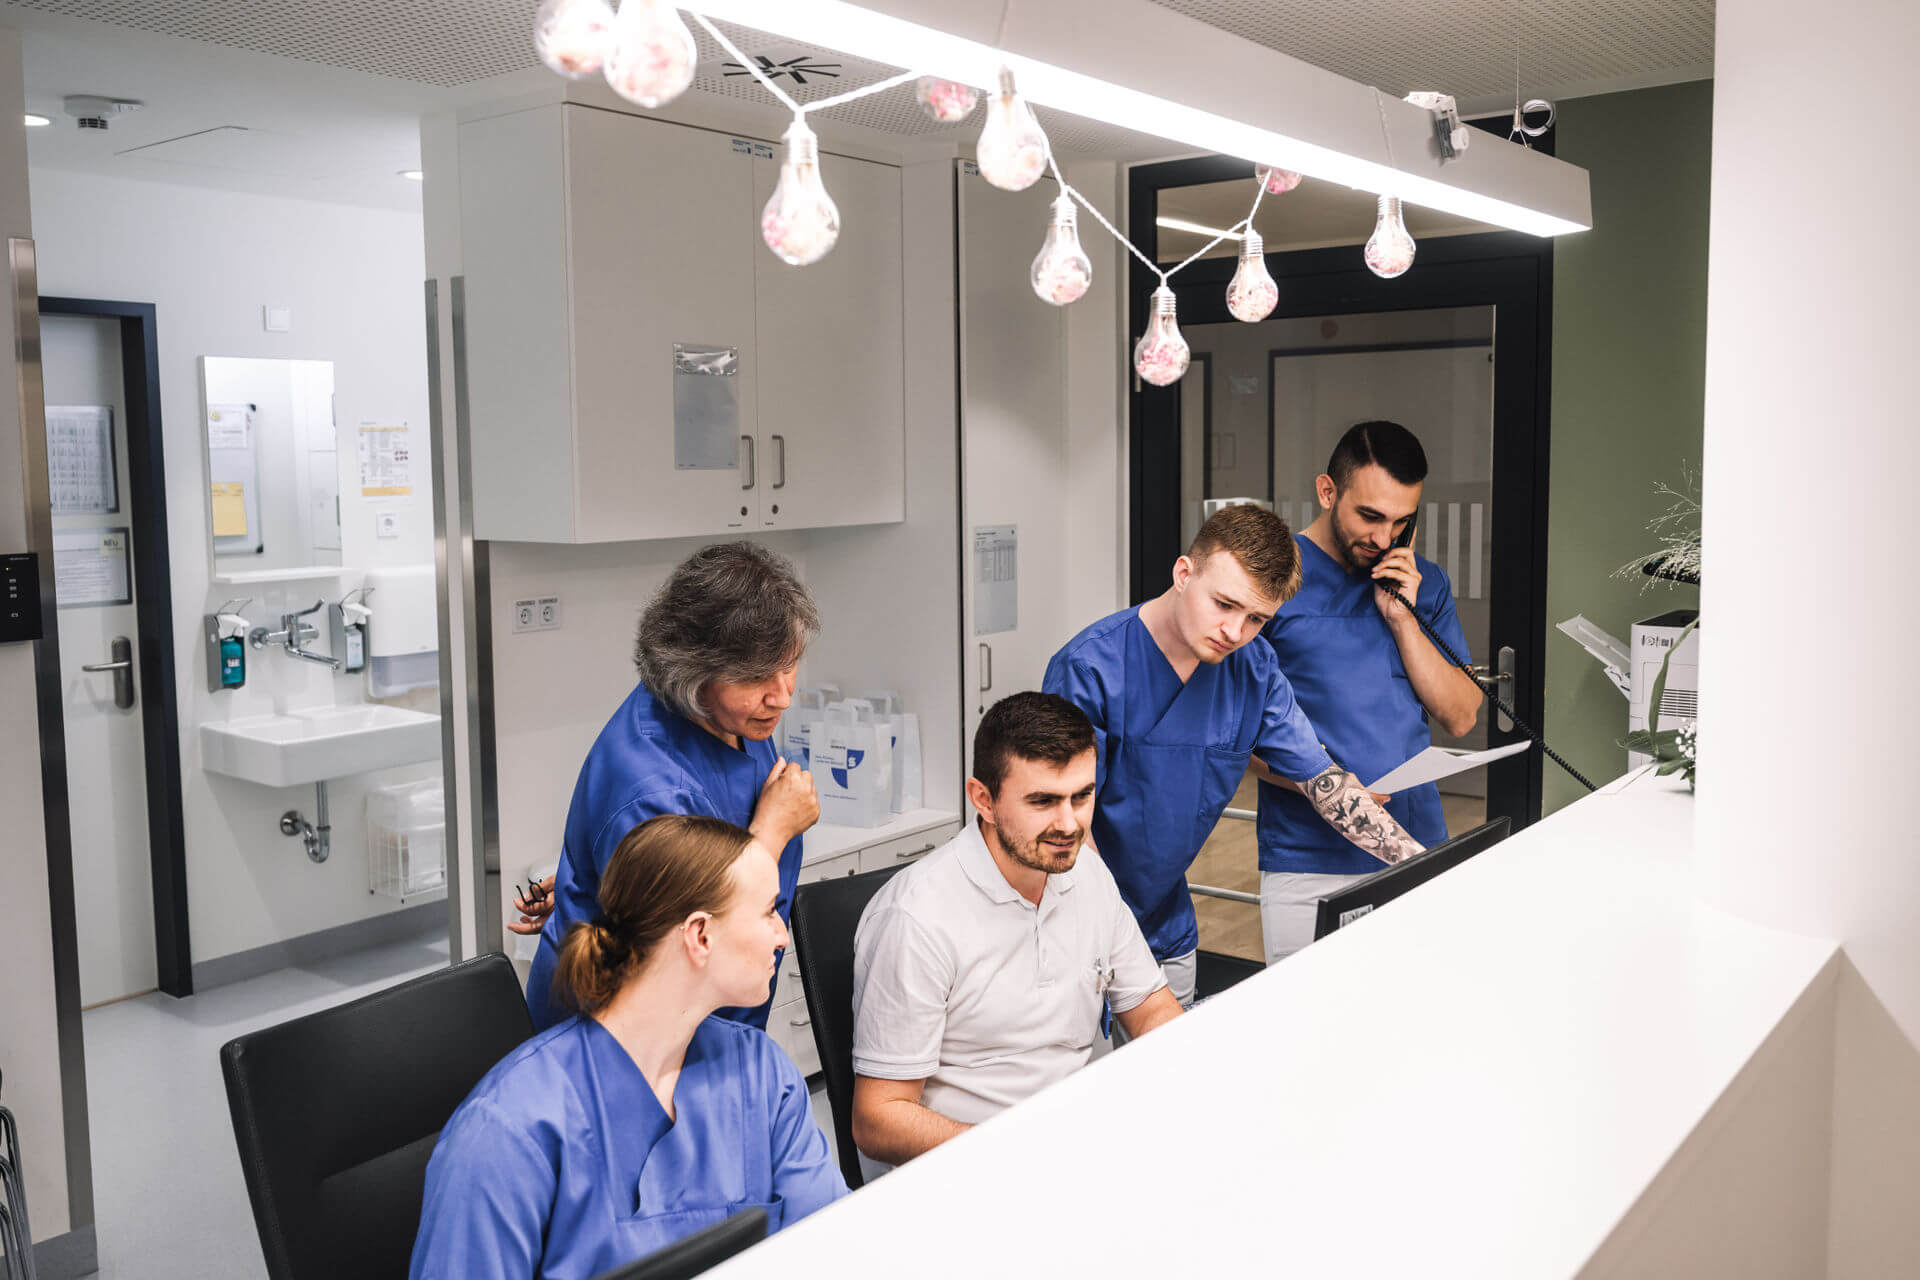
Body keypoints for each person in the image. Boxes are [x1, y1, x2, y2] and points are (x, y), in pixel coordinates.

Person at [410, 815, 847, 1279]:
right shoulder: (508, 1132)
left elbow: (831, 1250)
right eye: (767, 912)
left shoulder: (761, 1074)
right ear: (700, 935)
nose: (783, 934)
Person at [1044, 503, 1422, 1004]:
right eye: (1223, 604)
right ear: (1184, 573)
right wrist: (1114, 940)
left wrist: (1424, 868)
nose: (1234, 632)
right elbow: (1068, 824)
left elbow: (1325, 783)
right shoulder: (1090, 669)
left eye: (1257, 619)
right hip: (1077, 927)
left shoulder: (1252, 668)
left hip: (1165, 925)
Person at [850, 693, 1179, 1172]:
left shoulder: (1086, 874)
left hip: (1073, 1144)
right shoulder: (917, 918)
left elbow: (1152, 1008)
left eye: (1081, 796)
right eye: (1043, 801)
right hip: (967, 1167)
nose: (1069, 825)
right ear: (983, 799)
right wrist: (1019, 1154)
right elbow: (879, 1120)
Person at [520, 542, 823, 1032]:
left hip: (716, 1011)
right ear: (694, 671)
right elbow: (685, 955)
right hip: (628, 1035)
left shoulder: (732, 718)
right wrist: (773, 830)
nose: (783, 695)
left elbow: (672, 874)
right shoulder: (653, 787)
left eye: (788, 664)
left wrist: (602, 879)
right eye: (755, 677)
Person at [1256, 422, 1481, 962]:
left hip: (1416, 844)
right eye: (1371, 516)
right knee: (1307, 1030)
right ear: (1328, 491)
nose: (1385, 538)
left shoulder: (1421, 582)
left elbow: (1462, 715)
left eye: (1403, 521)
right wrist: (1331, 787)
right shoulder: (1270, 581)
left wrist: (1404, 620)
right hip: (1308, 858)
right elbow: (1239, 736)